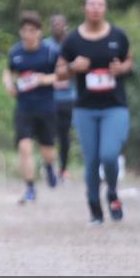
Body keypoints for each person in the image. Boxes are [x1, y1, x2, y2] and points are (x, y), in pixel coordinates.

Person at [56, 0, 133, 223]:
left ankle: (111, 191)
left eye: (100, 4)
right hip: (85, 109)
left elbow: (129, 61)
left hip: (115, 107)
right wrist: (72, 67)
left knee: (109, 155)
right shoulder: (73, 40)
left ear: (105, 8)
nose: (96, 8)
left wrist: (122, 68)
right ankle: (94, 207)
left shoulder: (118, 36)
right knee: (91, 161)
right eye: (92, 4)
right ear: (85, 8)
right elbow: (59, 72)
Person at [3, 11, 58, 204]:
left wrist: (45, 79)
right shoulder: (16, 52)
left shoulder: (50, 52)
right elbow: (8, 72)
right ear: (21, 32)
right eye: (25, 30)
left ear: (39, 32)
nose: (29, 34)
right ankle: (30, 188)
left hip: (46, 108)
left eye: (33, 30)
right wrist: (9, 84)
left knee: (47, 150)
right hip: (24, 108)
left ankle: (50, 166)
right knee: (24, 147)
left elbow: (62, 76)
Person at [49, 14, 77, 181]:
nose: (58, 27)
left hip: (68, 98)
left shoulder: (73, 44)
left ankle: (63, 169)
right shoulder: (45, 45)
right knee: (49, 135)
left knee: (64, 135)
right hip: (49, 98)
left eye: (61, 24)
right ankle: (49, 167)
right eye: (55, 24)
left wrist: (68, 76)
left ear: (66, 25)